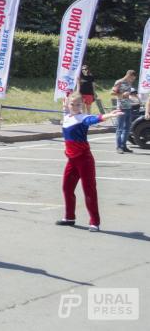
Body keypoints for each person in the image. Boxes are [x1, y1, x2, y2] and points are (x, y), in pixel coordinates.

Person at [55, 93, 122, 232]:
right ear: (68, 104)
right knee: (67, 188)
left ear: (83, 105)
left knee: (89, 190)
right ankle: (69, 217)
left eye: (78, 104)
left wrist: (108, 115)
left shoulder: (83, 118)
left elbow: (94, 119)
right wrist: (65, 102)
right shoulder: (66, 117)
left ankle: (94, 222)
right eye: (72, 104)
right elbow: (66, 110)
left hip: (84, 159)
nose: (74, 107)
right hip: (72, 160)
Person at [111, 70, 137, 154]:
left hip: (129, 107)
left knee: (127, 128)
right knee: (120, 128)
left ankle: (123, 145)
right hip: (121, 108)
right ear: (129, 76)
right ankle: (118, 147)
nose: (132, 80)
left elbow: (128, 94)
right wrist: (122, 94)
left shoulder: (129, 83)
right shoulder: (119, 82)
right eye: (132, 78)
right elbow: (112, 93)